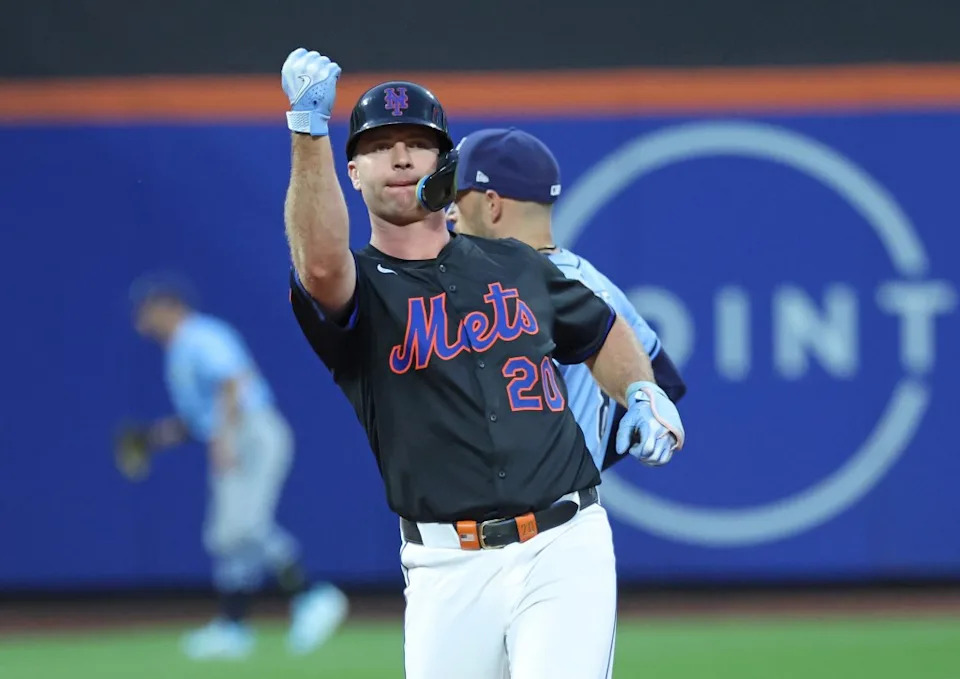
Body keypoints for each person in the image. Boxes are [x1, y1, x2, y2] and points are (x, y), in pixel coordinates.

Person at [280, 47, 685, 679]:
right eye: (381, 144)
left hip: (562, 542)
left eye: (418, 141)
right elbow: (321, 267)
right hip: (445, 565)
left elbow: (602, 331)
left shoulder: (518, 264)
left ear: (445, 164)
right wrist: (308, 133)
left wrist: (641, 390)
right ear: (352, 171)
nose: (402, 155)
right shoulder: (362, 285)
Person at [129, 273, 348, 660]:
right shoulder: (180, 346)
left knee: (245, 527)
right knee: (225, 538)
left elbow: (232, 381)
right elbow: (199, 417)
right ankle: (233, 627)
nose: (141, 320)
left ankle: (313, 596)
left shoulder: (200, 334)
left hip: (252, 432)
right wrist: (153, 439)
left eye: (147, 310)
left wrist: (226, 437)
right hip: (234, 433)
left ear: (168, 306)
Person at [445, 127, 687, 473]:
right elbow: (663, 384)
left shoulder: (508, 293)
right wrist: (590, 457)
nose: (450, 213)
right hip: (569, 509)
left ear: (492, 204)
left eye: (458, 197)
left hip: (524, 509)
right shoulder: (592, 281)